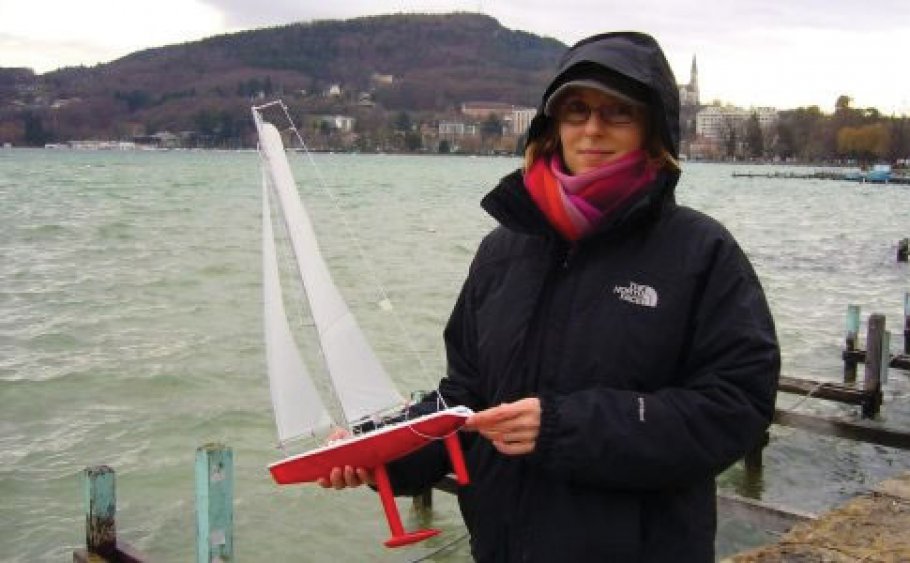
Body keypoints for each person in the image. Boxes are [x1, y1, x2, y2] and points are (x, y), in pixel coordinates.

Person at [320, 31, 780, 562]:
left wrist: (566, 427)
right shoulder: (503, 251)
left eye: (618, 113)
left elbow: (737, 406)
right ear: (552, 124)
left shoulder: (702, 252)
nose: (592, 129)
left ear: (652, 128)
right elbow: (466, 401)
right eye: (576, 110)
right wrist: (381, 452)